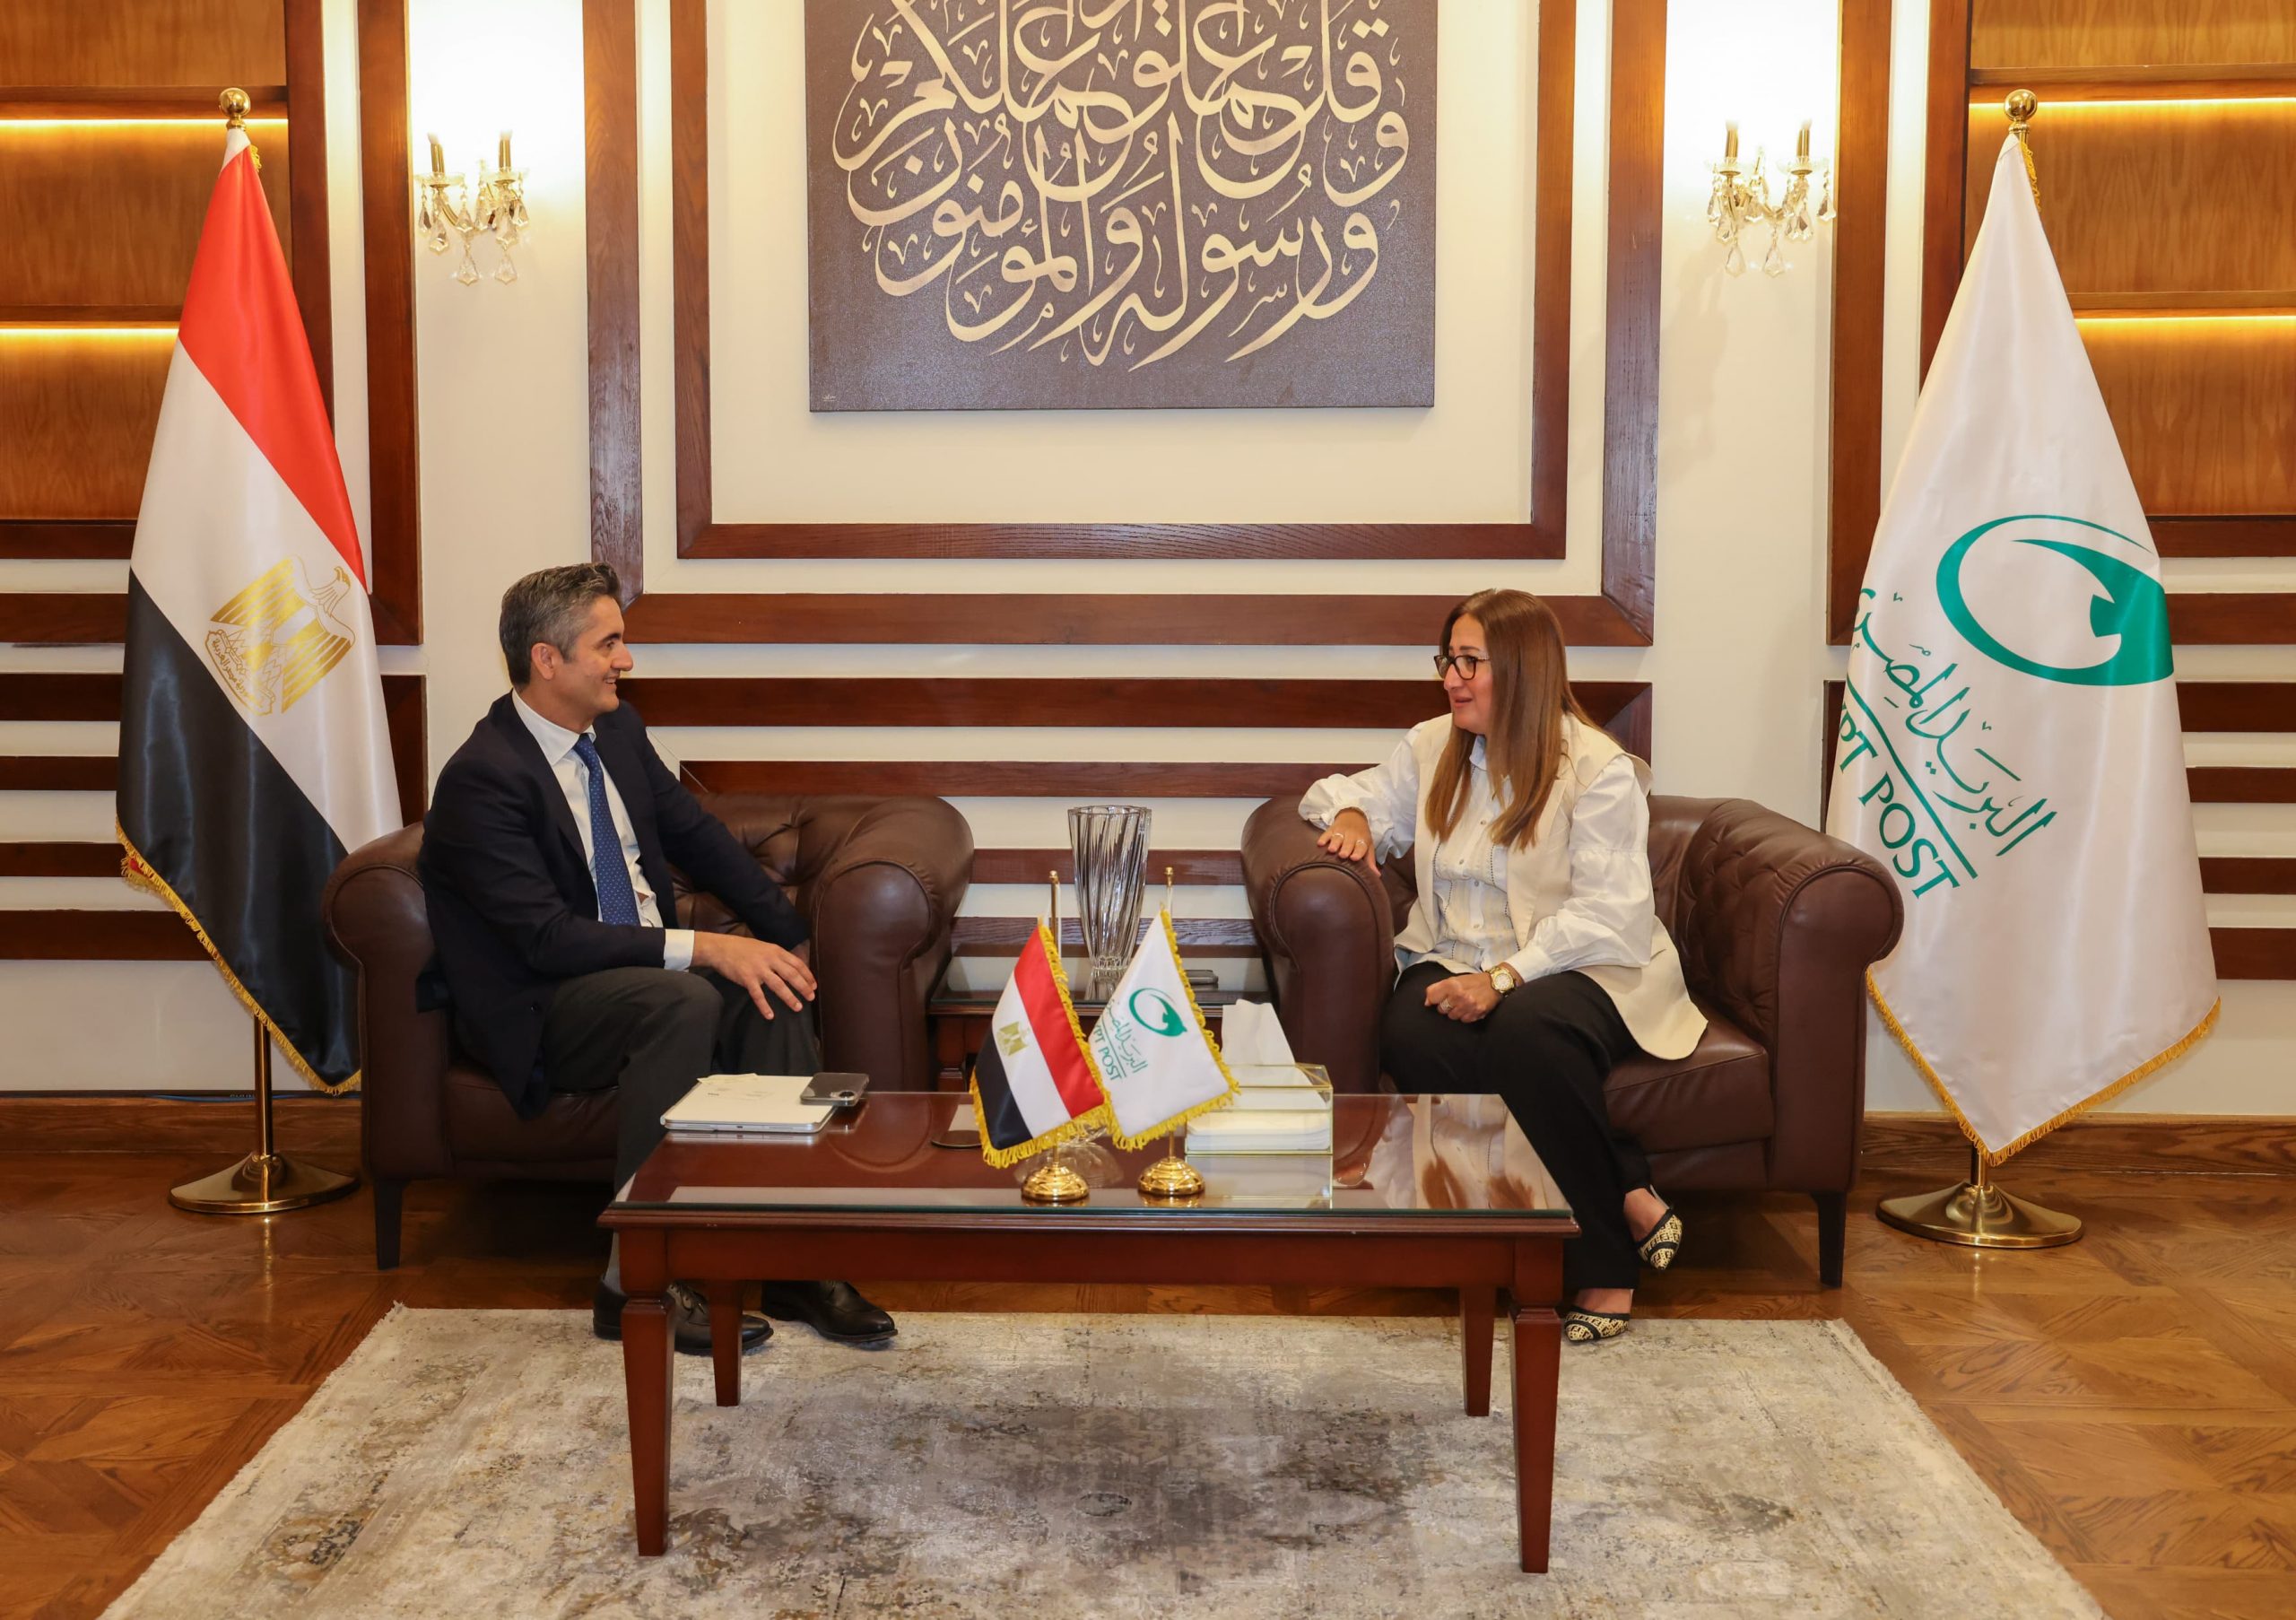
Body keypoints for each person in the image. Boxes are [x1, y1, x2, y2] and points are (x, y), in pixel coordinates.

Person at [421, 562, 895, 1354]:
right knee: (684, 998)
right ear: (547, 659)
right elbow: (545, 939)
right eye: (608, 644)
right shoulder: (483, 778)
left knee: (772, 989)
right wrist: (707, 947)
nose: (626, 660)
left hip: (634, 976)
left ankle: (793, 1258)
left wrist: (784, 936)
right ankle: (634, 1279)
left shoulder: (616, 733)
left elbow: (697, 837)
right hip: (545, 1001)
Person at [1300, 588, 1707, 1345]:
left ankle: (1603, 1263)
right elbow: (1343, 796)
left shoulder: (1597, 768)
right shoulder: (1433, 746)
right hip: (1453, 956)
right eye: (1447, 660)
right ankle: (1621, 1180)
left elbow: (1609, 913)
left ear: (1521, 669)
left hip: (1585, 965)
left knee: (1527, 1034)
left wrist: (1505, 979)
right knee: (1412, 1035)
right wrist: (1354, 816)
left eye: (1469, 662)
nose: (1451, 679)